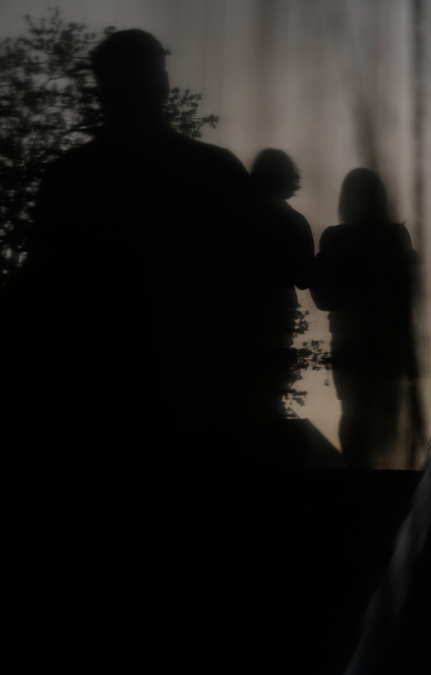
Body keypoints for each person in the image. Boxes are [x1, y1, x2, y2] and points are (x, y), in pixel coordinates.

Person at [5, 29, 252, 464]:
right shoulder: (216, 169)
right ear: (162, 84)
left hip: (98, 397)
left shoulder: (72, 175)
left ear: (103, 89)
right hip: (191, 391)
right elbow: (248, 286)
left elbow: (41, 286)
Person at [310, 168, 419, 469]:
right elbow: (408, 295)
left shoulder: (334, 238)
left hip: (348, 340)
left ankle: (356, 475)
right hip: (388, 340)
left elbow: (322, 297)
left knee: (354, 411)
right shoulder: (395, 235)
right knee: (384, 412)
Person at [240, 149, 315, 423]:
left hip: (237, 305)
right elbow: (305, 279)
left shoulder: (236, 215)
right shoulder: (294, 220)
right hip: (276, 309)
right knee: (270, 380)